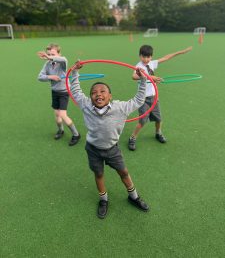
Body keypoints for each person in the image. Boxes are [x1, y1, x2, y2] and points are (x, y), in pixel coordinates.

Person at [70, 61, 149, 219]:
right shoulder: (85, 105)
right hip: (93, 148)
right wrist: (75, 73)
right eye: (94, 92)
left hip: (112, 148)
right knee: (98, 174)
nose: (98, 94)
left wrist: (142, 80)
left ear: (110, 96)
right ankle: (103, 199)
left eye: (102, 91)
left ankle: (133, 196)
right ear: (90, 97)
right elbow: (76, 91)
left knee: (124, 172)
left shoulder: (120, 108)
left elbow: (139, 100)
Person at [128, 45, 193, 151]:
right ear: (140, 56)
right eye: (144, 57)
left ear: (151, 57)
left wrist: (180, 52)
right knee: (142, 121)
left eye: (148, 57)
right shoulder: (139, 66)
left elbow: (166, 57)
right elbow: (134, 76)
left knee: (159, 119)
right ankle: (132, 137)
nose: (146, 59)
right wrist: (151, 77)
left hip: (154, 97)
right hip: (143, 98)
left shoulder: (152, 63)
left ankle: (158, 133)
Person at [37, 43, 80, 146]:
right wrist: (51, 77)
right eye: (48, 54)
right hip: (55, 92)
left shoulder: (62, 63)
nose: (50, 56)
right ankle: (61, 130)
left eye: (52, 54)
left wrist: (49, 57)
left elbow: (64, 59)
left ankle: (76, 134)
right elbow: (40, 77)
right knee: (57, 114)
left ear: (59, 54)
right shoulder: (47, 65)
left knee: (62, 114)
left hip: (64, 92)